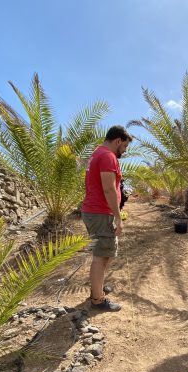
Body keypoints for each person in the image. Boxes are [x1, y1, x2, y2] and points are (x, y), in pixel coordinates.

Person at [81, 125, 133, 312]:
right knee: (101, 257)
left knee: (105, 253)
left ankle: (98, 287)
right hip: (100, 213)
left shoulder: (97, 153)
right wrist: (118, 218)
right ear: (118, 141)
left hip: (97, 212)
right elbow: (109, 188)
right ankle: (97, 299)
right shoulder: (107, 156)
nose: (124, 151)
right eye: (125, 147)